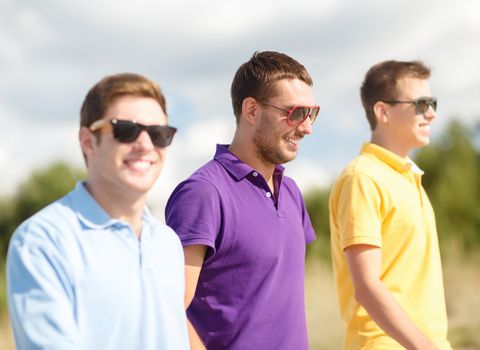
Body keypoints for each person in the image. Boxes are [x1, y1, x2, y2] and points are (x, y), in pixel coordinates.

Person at [7, 73, 190, 350]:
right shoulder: (42, 241)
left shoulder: (168, 243)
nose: (145, 145)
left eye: (159, 134)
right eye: (125, 130)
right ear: (88, 141)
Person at [165, 51, 319, 349]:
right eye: (296, 113)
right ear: (251, 110)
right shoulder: (203, 193)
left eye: (312, 113)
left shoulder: (291, 192)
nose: (307, 127)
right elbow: (168, 309)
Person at [330, 60, 453, 349]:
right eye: (421, 104)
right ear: (382, 111)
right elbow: (367, 287)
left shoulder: (409, 178)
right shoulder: (362, 178)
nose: (431, 114)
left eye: (432, 103)